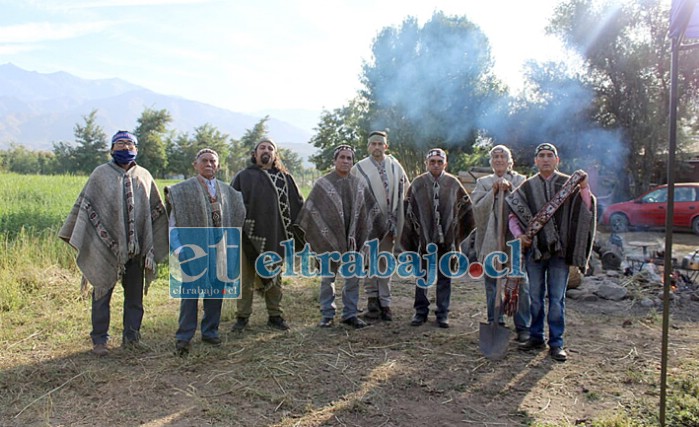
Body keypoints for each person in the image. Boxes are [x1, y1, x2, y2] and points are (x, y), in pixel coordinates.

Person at [59, 130, 169, 356]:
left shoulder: (145, 176)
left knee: (135, 298)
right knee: (101, 294)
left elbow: (155, 211)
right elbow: (87, 208)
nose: (125, 148)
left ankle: (132, 338)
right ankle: (100, 340)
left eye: (129, 144)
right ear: (111, 149)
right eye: (119, 144)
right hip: (105, 249)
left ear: (136, 149)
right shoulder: (100, 175)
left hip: (137, 251)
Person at [507, 142, 596, 362]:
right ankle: (536, 336)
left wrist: (584, 187)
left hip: (559, 253)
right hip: (535, 252)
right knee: (536, 298)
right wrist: (519, 236)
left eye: (550, 155)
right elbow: (513, 216)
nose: (546, 159)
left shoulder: (570, 185)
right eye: (541, 156)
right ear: (535, 161)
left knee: (557, 299)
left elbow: (586, 207)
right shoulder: (526, 188)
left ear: (557, 160)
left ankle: (556, 343)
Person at [297, 145, 387, 329]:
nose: (346, 161)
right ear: (335, 160)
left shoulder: (359, 185)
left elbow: (371, 213)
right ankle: (327, 315)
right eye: (342, 157)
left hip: (354, 243)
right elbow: (311, 212)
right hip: (327, 242)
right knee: (327, 279)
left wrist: (382, 225)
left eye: (349, 158)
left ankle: (350, 314)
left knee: (353, 279)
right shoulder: (322, 184)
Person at [166, 148, 245, 355]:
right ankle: (184, 337)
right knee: (190, 295)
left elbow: (237, 217)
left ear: (218, 165)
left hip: (220, 252)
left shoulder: (228, 192)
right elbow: (174, 223)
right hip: (193, 252)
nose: (209, 164)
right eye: (204, 160)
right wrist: (179, 250)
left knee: (215, 293)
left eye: (213, 161)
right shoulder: (182, 191)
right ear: (195, 164)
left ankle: (210, 331)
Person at [230, 137, 304, 331]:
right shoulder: (243, 177)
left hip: (275, 237)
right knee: (245, 279)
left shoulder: (284, 178)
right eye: (262, 147)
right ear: (255, 154)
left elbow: (297, 204)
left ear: (275, 155)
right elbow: (232, 204)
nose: (266, 150)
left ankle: (275, 315)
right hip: (247, 236)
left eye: (270, 148)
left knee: (274, 277)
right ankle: (242, 318)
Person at [402, 149, 475, 328]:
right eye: (432, 161)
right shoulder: (418, 184)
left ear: (445, 164)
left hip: (446, 240)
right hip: (424, 241)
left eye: (439, 162)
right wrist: (414, 235)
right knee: (422, 276)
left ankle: (442, 313)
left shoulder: (453, 183)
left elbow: (467, 209)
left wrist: (456, 235)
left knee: (445, 276)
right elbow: (408, 210)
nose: (435, 165)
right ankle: (420, 312)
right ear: (426, 163)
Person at [471, 145, 531, 342]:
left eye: (502, 156)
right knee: (491, 283)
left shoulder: (521, 181)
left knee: (519, 282)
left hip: (514, 240)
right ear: (491, 161)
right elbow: (477, 209)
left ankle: (523, 326)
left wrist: (509, 189)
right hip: (491, 239)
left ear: (509, 161)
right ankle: (495, 320)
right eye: (495, 157)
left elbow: (527, 206)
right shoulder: (483, 182)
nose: (498, 160)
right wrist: (494, 192)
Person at [350, 131, 408, 321]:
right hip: (368, 226)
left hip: (390, 226)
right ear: (368, 147)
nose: (376, 147)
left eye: (380, 144)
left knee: (385, 263)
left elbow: (405, 191)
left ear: (386, 146)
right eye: (373, 144)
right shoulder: (359, 168)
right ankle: (372, 302)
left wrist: (400, 218)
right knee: (369, 263)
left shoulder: (395, 166)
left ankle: (386, 303)